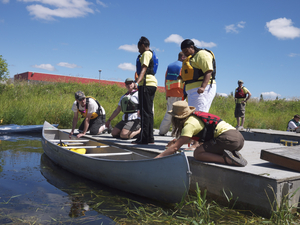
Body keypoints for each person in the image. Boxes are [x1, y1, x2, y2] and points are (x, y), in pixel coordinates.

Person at [155, 101, 247, 167]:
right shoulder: (194, 118)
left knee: (198, 153)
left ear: (176, 118)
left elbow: (175, 148)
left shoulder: (189, 125)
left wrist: (157, 158)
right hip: (239, 139)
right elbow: (188, 138)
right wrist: (175, 141)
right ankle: (231, 153)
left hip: (227, 138)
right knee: (205, 148)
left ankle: (227, 159)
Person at [132, 36, 158, 144]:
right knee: (148, 112)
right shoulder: (150, 53)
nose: (138, 50)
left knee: (144, 112)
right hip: (151, 84)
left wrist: (136, 82)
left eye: (138, 48)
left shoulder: (146, 54)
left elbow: (144, 69)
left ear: (143, 45)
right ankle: (149, 138)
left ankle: (144, 138)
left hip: (146, 84)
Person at [180, 39, 216, 112]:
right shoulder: (191, 57)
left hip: (201, 90)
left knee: (199, 113)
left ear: (192, 47)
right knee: (193, 114)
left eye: (186, 51)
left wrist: (203, 87)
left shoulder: (202, 54)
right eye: (184, 52)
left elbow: (208, 71)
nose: (185, 54)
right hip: (191, 91)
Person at [159, 52, 186, 136]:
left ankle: (162, 131)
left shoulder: (170, 66)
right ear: (182, 56)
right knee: (179, 115)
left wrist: (167, 93)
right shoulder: (184, 66)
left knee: (168, 113)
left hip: (170, 93)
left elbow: (166, 80)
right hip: (180, 93)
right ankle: (175, 133)